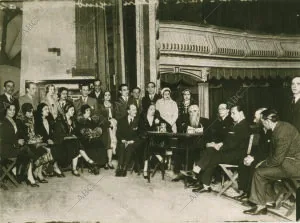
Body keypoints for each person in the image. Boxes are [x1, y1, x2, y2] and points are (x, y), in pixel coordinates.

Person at [244, 109, 300, 215]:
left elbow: (277, 159)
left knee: (259, 172)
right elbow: (275, 156)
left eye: (263, 122)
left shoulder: (282, 132)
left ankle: (261, 205)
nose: (262, 125)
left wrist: (262, 163)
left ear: (267, 121)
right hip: (287, 163)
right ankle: (267, 200)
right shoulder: (280, 127)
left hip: (294, 166)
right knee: (261, 171)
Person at [185, 104, 250, 193]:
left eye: (233, 113)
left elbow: (232, 144)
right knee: (210, 153)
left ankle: (198, 171)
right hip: (229, 152)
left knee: (211, 154)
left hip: (236, 156)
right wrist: (217, 144)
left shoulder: (243, 126)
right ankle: (204, 182)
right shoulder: (238, 125)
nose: (231, 116)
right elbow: (229, 141)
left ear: (241, 113)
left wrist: (218, 146)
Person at [235, 108, 271, 201]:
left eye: (256, 118)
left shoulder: (272, 131)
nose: (254, 120)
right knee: (243, 161)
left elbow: (270, 152)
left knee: (253, 165)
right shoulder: (260, 131)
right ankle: (245, 192)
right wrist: (250, 156)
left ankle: (252, 195)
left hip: (270, 158)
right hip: (261, 156)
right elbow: (258, 149)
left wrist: (254, 158)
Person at [52, 103, 97, 176]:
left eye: (73, 110)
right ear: (66, 110)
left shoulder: (73, 120)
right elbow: (59, 136)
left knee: (76, 144)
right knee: (76, 143)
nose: (73, 111)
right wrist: (71, 137)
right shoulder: (60, 120)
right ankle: (87, 161)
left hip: (71, 142)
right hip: (62, 143)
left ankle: (76, 168)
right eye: (71, 110)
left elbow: (76, 132)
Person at [173, 104, 210, 181]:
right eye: (190, 111)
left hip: (201, 145)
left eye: (195, 111)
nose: (193, 113)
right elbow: (180, 128)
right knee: (179, 149)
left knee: (196, 151)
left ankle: (195, 174)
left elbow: (208, 135)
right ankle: (184, 172)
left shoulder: (206, 121)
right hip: (188, 145)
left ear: (199, 112)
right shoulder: (185, 121)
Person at [0, 104, 32, 185]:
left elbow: (15, 135)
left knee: (27, 150)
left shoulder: (12, 120)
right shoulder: (4, 122)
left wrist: (20, 139)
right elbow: (4, 138)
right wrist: (16, 141)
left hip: (13, 147)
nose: (12, 111)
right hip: (6, 149)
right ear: (6, 110)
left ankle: (20, 174)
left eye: (14, 110)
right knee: (27, 151)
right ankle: (23, 175)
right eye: (10, 109)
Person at [138, 103, 172, 178]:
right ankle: (157, 155)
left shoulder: (157, 117)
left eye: (154, 109)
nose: (153, 111)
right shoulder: (142, 117)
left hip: (154, 141)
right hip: (143, 139)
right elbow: (141, 131)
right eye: (151, 109)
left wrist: (160, 125)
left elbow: (169, 126)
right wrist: (154, 126)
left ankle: (145, 169)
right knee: (146, 143)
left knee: (148, 144)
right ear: (147, 110)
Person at [34, 103, 64, 179]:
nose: (48, 111)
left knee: (58, 146)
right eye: (46, 109)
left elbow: (50, 134)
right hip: (41, 143)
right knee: (52, 148)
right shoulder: (37, 122)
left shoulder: (48, 120)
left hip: (48, 141)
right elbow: (38, 135)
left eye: (48, 109)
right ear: (41, 111)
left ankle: (50, 169)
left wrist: (51, 139)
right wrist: (47, 140)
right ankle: (55, 168)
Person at [77, 104, 109, 172]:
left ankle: (101, 162)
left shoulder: (92, 119)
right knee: (94, 143)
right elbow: (80, 130)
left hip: (94, 137)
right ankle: (92, 165)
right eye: (87, 110)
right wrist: (88, 134)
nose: (89, 111)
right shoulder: (81, 120)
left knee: (99, 142)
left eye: (89, 110)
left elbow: (97, 127)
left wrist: (95, 133)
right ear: (83, 112)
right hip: (85, 139)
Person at [116, 104, 143, 177]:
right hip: (123, 141)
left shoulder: (139, 121)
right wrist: (122, 140)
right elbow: (118, 133)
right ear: (128, 111)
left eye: (136, 110)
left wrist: (133, 141)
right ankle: (119, 167)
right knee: (121, 146)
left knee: (129, 147)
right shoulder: (121, 120)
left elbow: (140, 134)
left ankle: (124, 168)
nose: (136, 111)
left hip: (133, 142)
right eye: (134, 110)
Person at [98, 90, 117, 169]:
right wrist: (107, 122)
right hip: (104, 127)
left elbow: (116, 115)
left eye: (109, 95)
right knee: (106, 143)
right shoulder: (100, 106)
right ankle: (105, 162)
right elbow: (99, 116)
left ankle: (110, 161)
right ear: (103, 97)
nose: (107, 97)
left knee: (111, 144)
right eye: (106, 95)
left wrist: (113, 121)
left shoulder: (113, 105)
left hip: (113, 126)